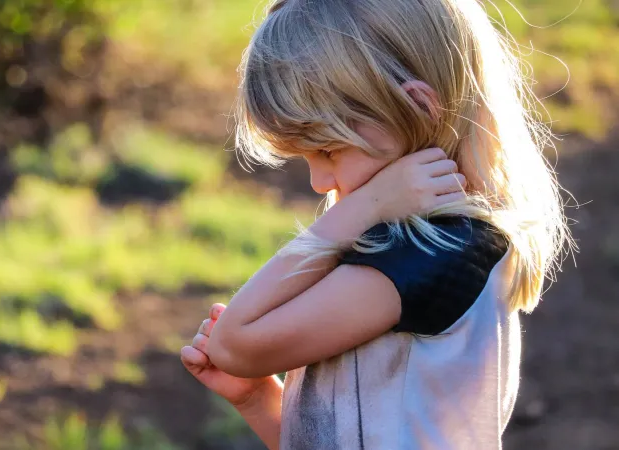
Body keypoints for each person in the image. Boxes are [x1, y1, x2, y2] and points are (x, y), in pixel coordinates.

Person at [181, 0, 573, 448]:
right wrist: (258, 398)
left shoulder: (431, 255)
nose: (318, 181)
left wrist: (359, 209)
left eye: (328, 151)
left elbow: (234, 344)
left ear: (420, 107)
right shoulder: (419, 245)